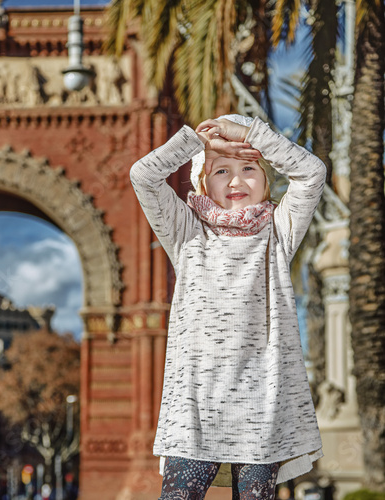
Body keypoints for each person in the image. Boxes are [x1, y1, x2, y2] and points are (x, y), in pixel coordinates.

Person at [130, 114, 326, 500]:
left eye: (249, 168)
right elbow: (144, 176)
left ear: (267, 180)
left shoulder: (279, 231)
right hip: (194, 407)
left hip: (262, 406)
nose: (236, 181)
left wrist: (252, 135)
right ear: (203, 180)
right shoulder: (185, 232)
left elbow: (312, 173)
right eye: (221, 170)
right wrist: (199, 143)